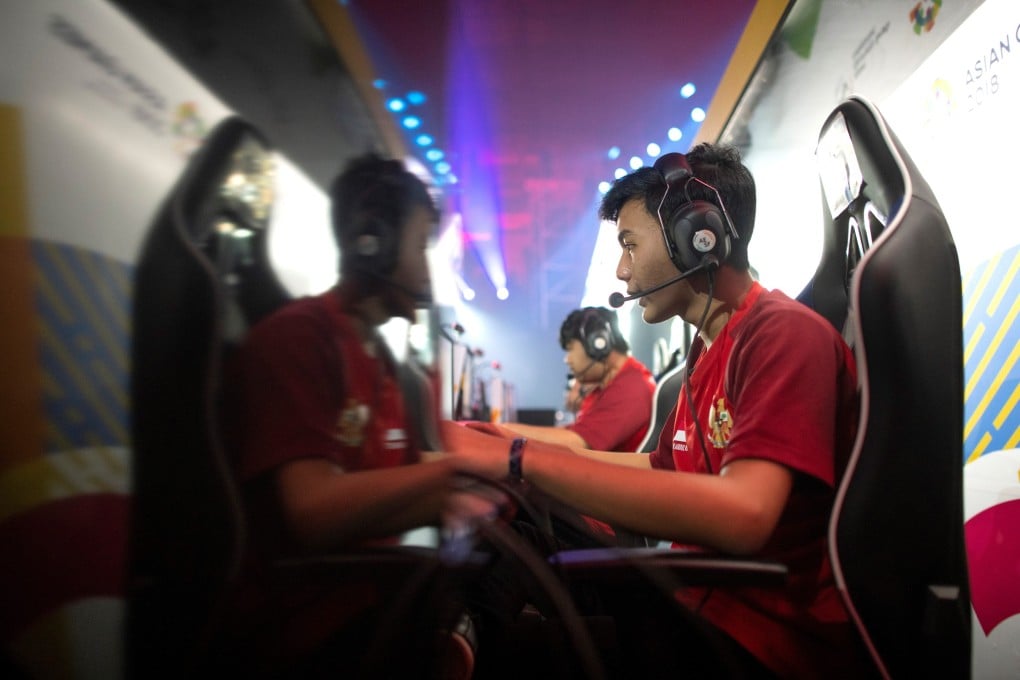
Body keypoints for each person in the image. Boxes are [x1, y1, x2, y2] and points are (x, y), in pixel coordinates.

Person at [443, 143, 869, 678]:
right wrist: (507, 453)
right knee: (515, 533)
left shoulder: (782, 334)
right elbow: (664, 466)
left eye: (629, 244)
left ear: (698, 236)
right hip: (697, 600)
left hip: (756, 639)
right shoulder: (709, 347)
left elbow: (745, 517)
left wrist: (522, 458)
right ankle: (458, 644)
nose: (621, 270)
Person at [223, 152, 480, 678]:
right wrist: (451, 475)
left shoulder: (381, 360)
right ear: (374, 243)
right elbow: (312, 513)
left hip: (367, 601)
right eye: (420, 247)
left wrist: (489, 496)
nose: (429, 270)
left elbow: (395, 492)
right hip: (307, 629)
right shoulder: (301, 339)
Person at [501, 307, 655, 452]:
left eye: (570, 349)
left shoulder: (631, 388)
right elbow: (576, 430)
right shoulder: (607, 385)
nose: (567, 360)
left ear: (597, 344)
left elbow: (577, 443)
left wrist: (501, 431)